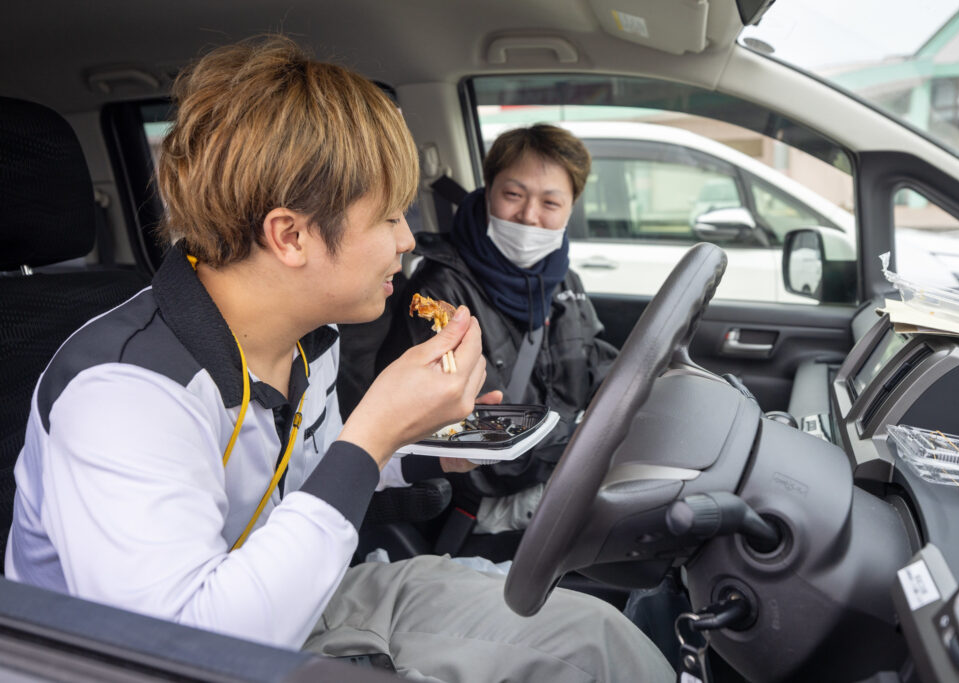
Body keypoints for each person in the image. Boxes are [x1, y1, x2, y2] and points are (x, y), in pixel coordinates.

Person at [4, 36, 672, 682]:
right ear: (290, 235)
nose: (409, 239)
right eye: (388, 218)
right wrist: (371, 433)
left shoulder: (308, 335)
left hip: (305, 599)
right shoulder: (125, 396)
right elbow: (181, 648)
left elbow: (302, 481)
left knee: (599, 645)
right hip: (199, 650)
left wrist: (417, 445)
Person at [379, 124, 618, 535]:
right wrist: (584, 447)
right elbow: (474, 442)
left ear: (571, 207)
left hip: (561, 464)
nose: (528, 216)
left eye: (550, 202)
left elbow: (596, 364)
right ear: (488, 190)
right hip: (488, 497)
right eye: (513, 195)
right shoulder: (440, 290)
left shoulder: (563, 281)